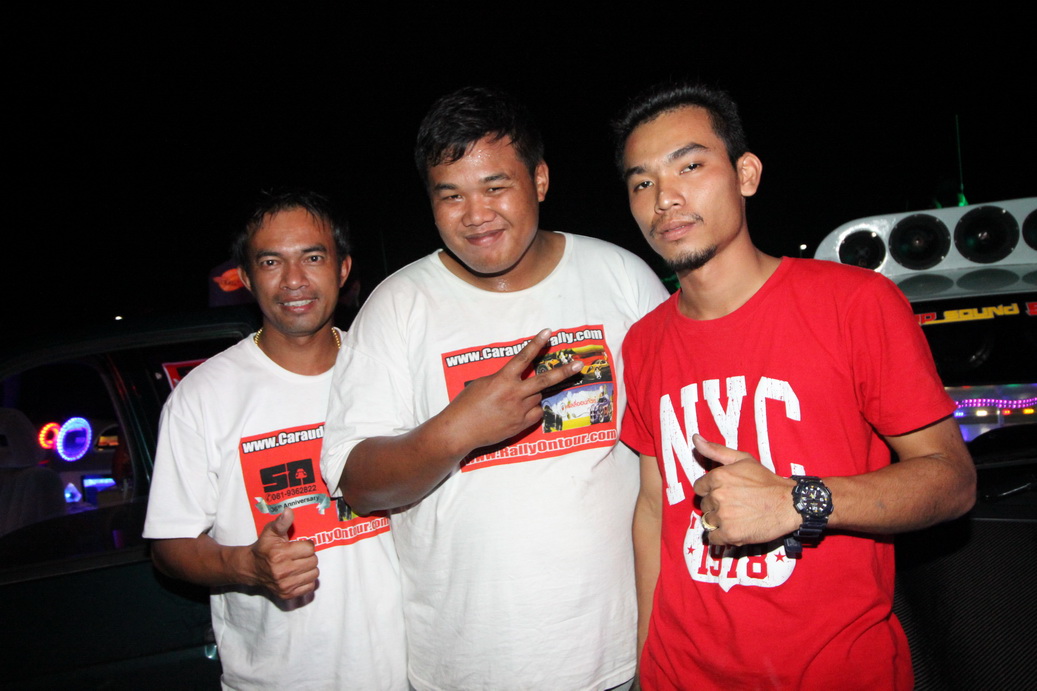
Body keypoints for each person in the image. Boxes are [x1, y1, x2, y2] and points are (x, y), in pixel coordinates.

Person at [612, 82, 977, 689]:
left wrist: (797, 501)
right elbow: (654, 509)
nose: (665, 197)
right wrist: (648, 664)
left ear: (746, 174)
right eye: (641, 182)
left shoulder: (855, 304)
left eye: (690, 166)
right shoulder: (643, 342)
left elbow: (952, 480)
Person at [321, 87, 669, 691]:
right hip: (466, 668)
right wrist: (456, 430)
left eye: (495, 186)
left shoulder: (620, 277)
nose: (475, 214)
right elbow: (358, 484)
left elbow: (675, 451)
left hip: (617, 657)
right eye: (450, 195)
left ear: (540, 179)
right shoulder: (398, 305)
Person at [143, 190, 407, 690]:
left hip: (406, 671)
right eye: (270, 262)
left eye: (313, 257)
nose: (293, 280)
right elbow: (169, 546)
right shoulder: (203, 395)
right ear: (245, 277)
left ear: (343, 268)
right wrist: (246, 565)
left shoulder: (390, 371)